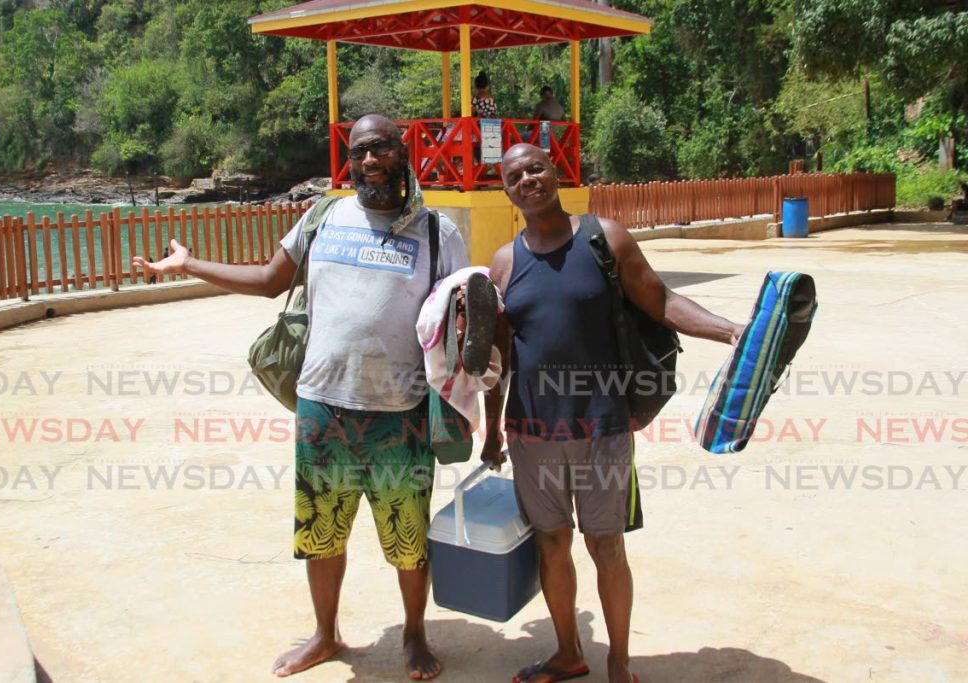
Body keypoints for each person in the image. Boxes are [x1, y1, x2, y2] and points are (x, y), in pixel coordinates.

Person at [133, 115, 469, 681]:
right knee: (319, 531)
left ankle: (414, 633)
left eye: (381, 148)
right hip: (322, 407)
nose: (369, 161)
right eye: (359, 151)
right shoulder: (323, 216)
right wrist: (187, 264)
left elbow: (459, 318)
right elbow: (269, 280)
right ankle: (324, 634)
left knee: (408, 542)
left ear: (401, 149)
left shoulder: (440, 233)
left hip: (401, 415)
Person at [481, 143, 744, 683]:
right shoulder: (504, 263)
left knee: (606, 545)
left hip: (603, 425)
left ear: (555, 173)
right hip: (532, 431)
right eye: (515, 176)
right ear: (506, 191)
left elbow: (662, 301)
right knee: (552, 544)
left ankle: (619, 661)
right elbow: (498, 360)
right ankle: (567, 652)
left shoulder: (606, 238)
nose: (528, 179)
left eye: (536, 168)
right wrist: (490, 430)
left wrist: (731, 332)